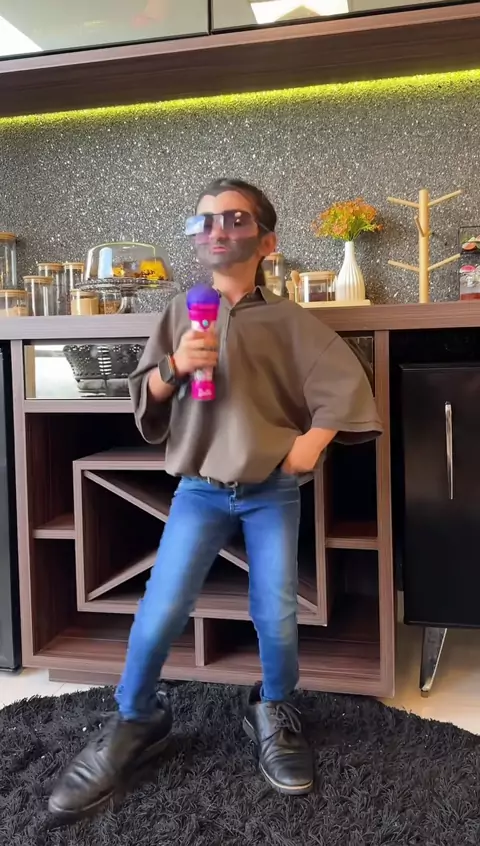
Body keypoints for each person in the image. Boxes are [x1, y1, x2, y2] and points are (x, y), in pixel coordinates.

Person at [48, 178, 382, 822]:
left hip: (270, 491)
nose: (217, 229)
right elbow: (144, 392)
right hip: (199, 489)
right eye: (204, 221)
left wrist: (311, 443)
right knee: (161, 607)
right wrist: (174, 366)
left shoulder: (290, 322)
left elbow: (346, 385)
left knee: (276, 613)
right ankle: (135, 718)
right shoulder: (181, 311)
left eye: (235, 218)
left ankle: (275, 708)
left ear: (267, 241)